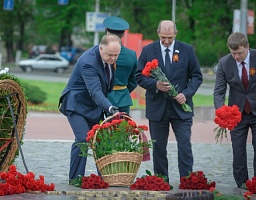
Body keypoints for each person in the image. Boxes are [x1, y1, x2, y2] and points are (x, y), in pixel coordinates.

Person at [135, 20, 202, 181]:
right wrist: (155, 85)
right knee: (158, 147)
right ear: (158, 33)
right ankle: (161, 180)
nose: (166, 41)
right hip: (158, 108)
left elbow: (197, 76)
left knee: (184, 144)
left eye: (170, 37)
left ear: (176, 33)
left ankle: (187, 180)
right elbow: (139, 76)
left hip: (181, 107)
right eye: (163, 37)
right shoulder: (148, 50)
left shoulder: (187, 50)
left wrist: (186, 94)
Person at [58, 34, 121, 181]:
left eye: (116, 55)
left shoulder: (109, 58)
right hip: (76, 104)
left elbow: (107, 86)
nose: (113, 59)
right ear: (100, 48)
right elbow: (95, 91)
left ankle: (105, 178)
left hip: (93, 106)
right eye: (110, 55)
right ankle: (76, 179)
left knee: (100, 140)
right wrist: (110, 107)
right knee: (82, 140)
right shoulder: (89, 62)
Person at [213, 32, 256, 188]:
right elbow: (219, 91)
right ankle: (242, 183)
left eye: (240, 53)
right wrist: (221, 111)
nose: (237, 57)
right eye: (233, 54)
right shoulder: (224, 63)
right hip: (236, 114)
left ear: (247, 47)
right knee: (238, 150)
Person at [103, 16, 137, 114]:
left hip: (102, 99)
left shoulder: (98, 52)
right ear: (123, 34)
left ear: (107, 32)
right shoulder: (131, 55)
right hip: (123, 99)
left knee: (100, 128)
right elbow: (134, 81)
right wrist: (123, 91)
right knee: (122, 128)